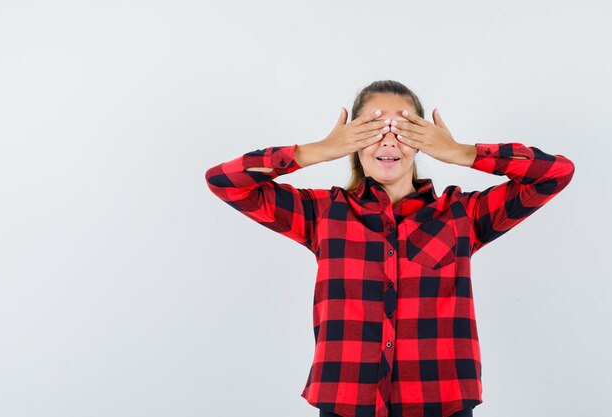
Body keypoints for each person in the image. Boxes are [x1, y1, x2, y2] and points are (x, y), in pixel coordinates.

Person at [204, 80, 575, 417]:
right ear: (352, 138)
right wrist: (319, 150)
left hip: (441, 401)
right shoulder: (323, 214)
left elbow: (555, 173)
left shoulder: (463, 214)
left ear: (424, 138)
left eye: (405, 128)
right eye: (372, 128)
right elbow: (224, 181)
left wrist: (462, 152)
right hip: (346, 401)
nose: (388, 140)